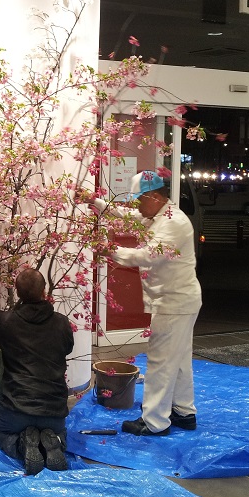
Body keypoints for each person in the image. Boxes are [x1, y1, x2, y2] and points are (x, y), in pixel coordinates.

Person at [78, 170, 202, 436]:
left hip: (174, 302)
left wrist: (108, 249)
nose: (135, 207)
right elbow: (129, 216)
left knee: (161, 361)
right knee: (179, 360)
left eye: (139, 201)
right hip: (178, 299)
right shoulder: (158, 215)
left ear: (155, 197)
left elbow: (148, 256)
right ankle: (184, 412)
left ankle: (155, 421)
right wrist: (96, 202)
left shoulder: (173, 224)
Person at [0, 268, 74, 474]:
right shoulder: (61, 323)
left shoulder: (6, 323)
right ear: (44, 291)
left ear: (18, 293)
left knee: (0, 437)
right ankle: (53, 441)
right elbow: (68, 348)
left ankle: (22, 445)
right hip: (53, 411)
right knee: (59, 436)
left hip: (16, 410)